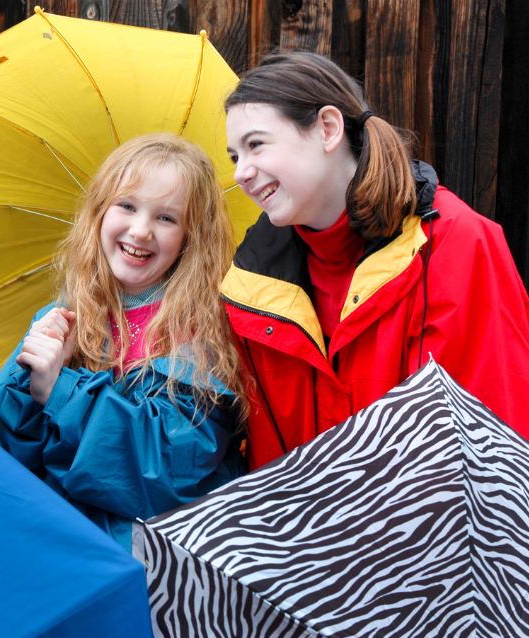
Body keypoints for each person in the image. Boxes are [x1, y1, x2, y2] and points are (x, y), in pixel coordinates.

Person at [221, 50, 529, 470]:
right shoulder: (248, 282)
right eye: (235, 157)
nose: (240, 173)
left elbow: (486, 444)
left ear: (328, 129)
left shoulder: (453, 243)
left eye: (256, 144)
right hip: (296, 532)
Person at [0, 133, 251, 550]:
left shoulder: (203, 336)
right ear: (100, 212)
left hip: (147, 570)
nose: (140, 231)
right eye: (126, 206)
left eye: (166, 218)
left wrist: (60, 392)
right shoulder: (66, 317)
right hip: (50, 549)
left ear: (190, 237)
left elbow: (163, 476)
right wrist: (29, 384)